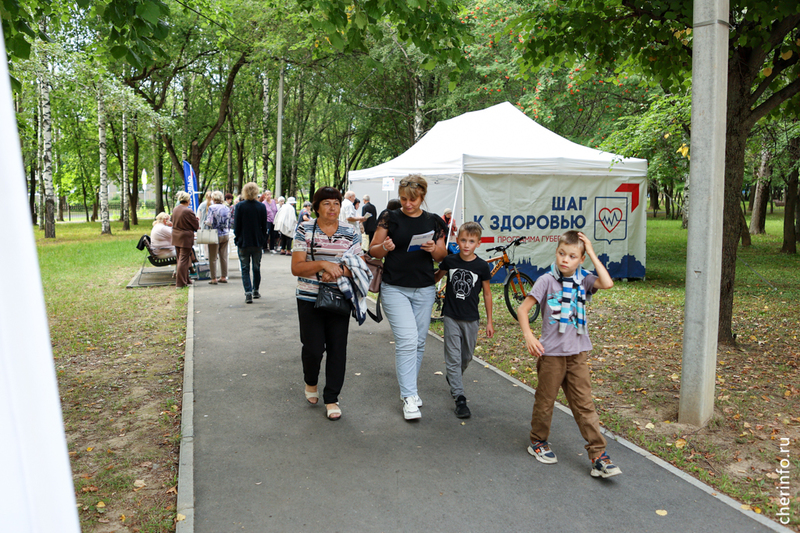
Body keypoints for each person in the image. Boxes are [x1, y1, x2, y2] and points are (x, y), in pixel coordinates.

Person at [517, 230, 621, 478]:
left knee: (584, 405)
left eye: (572, 256)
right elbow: (523, 310)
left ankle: (598, 455)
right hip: (551, 354)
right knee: (545, 402)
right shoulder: (546, 280)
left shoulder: (584, 279)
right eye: (561, 253)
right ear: (556, 252)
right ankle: (538, 442)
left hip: (577, 354)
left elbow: (607, 283)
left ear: (581, 259)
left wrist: (593, 253)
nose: (565, 259)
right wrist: (530, 337)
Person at [368, 174, 447, 421]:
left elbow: (442, 255)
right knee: (407, 339)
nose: (407, 204)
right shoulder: (389, 217)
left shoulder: (434, 221)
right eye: (403, 199)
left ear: (422, 197)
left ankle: (409, 389)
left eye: (412, 199)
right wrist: (386, 248)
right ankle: (409, 396)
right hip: (395, 287)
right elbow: (374, 250)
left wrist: (435, 248)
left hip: (424, 288)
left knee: (419, 341)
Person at [291, 187, 363, 421]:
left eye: (336, 203)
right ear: (317, 206)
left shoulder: (350, 231)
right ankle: (310, 381)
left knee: (337, 348)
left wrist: (338, 270)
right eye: (327, 203)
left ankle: (332, 397)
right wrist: (323, 264)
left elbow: (358, 266)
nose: (332, 208)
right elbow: (297, 267)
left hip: (340, 297)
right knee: (312, 348)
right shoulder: (304, 229)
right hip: (309, 297)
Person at [433, 222, 494, 419]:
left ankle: (454, 377)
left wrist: (490, 321)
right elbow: (436, 277)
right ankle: (459, 398)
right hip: (451, 316)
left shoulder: (482, 266)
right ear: (457, 240)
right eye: (463, 240)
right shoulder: (450, 261)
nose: (466, 245)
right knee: (453, 356)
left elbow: (486, 294)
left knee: (466, 357)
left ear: (478, 243)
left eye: (471, 241)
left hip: (471, 319)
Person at [233, 182, 269, 304]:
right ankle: (256, 290)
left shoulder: (240, 206)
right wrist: (262, 238)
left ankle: (248, 292)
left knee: (244, 268)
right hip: (257, 241)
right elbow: (264, 226)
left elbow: (236, 226)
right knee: (256, 267)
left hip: (243, 241)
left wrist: (237, 238)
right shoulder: (261, 207)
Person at [171, 191, 199, 289]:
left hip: (176, 237)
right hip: (185, 238)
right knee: (183, 260)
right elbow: (196, 226)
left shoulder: (175, 209)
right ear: (187, 200)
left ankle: (186, 279)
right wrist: (197, 220)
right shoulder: (188, 211)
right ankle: (180, 283)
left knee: (181, 259)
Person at [206, 191, 231, 284]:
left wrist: (205, 223)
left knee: (213, 257)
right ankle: (224, 276)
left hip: (215, 234)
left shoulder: (212, 208)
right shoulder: (227, 208)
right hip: (225, 234)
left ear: (213, 199)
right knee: (223, 256)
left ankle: (213, 278)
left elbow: (209, 221)